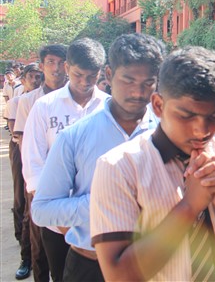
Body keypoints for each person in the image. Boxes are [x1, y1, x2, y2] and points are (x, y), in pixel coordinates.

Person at [90, 46, 215, 281]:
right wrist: (190, 205)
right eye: (186, 116)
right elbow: (119, 276)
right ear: (158, 105)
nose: (202, 130)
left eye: (213, 116)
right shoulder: (119, 167)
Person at [31, 34, 165, 281]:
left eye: (148, 83)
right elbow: (42, 210)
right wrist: (103, 203)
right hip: (90, 265)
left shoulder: (168, 134)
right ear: (109, 74)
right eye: (128, 80)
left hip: (156, 266)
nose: (138, 92)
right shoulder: (74, 136)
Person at [22, 38, 108, 282]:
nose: (84, 82)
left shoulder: (109, 107)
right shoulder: (45, 107)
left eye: (92, 76)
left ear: (102, 72)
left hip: (99, 219)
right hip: (57, 222)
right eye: (78, 75)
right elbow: (34, 165)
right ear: (67, 67)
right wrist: (62, 223)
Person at [12, 44, 68, 282]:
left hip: (68, 180)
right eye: (51, 62)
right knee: (35, 226)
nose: (56, 68)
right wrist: (35, 182)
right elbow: (25, 143)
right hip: (38, 176)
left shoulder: (76, 97)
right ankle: (29, 263)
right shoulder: (28, 101)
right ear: (43, 65)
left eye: (61, 62)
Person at [5, 63, 43, 280]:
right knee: (23, 203)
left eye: (38, 76)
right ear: (23, 78)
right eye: (31, 76)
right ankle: (25, 256)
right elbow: (16, 133)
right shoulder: (20, 101)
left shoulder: (51, 98)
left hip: (44, 157)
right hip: (24, 153)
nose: (35, 80)